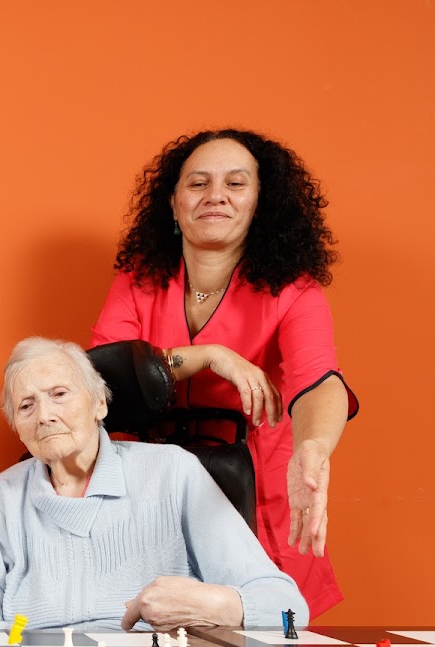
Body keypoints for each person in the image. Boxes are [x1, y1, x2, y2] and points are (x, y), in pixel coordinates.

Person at [91, 129, 357, 618]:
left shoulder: (294, 291)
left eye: (236, 184)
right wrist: (207, 355)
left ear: (261, 203)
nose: (215, 196)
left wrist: (314, 449)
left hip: (258, 494)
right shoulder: (137, 282)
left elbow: (318, 381)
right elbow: (100, 383)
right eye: (198, 184)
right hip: (151, 494)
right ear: (173, 204)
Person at [0, 337, 307, 632]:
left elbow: (287, 607)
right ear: (17, 428)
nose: (45, 416)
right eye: (26, 406)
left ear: (99, 403)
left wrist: (211, 604)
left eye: (59, 394)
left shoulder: (175, 472)